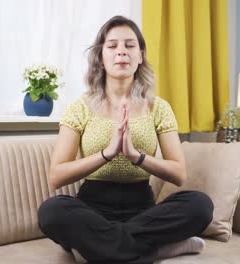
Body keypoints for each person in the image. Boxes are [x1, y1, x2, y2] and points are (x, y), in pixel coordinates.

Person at [37, 15, 213, 264]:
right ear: (101, 56)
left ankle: (96, 248)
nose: (122, 52)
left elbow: (178, 173)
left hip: (141, 209)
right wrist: (107, 153)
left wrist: (136, 157)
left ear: (140, 55)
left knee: (200, 205)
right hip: (92, 209)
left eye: (130, 45)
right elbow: (57, 176)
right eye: (112, 46)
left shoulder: (158, 108)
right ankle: (154, 250)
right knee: (51, 212)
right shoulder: (80, 107)